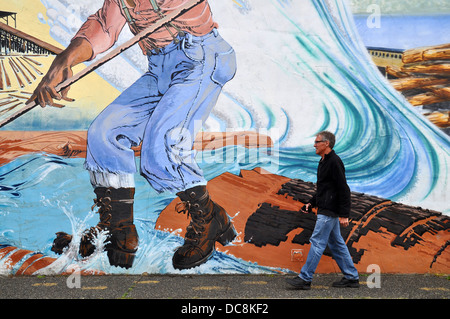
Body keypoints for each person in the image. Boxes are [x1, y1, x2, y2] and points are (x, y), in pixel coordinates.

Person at [27, 0, 237, 270]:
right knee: (104, 133)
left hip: (200, 58)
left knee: (162, 146)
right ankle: (117, 228)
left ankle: (209, 217)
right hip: (160, 68)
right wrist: (66, 60)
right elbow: (104, 27)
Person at [286, 131, 359, 289]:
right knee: (337, 244)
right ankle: (352, 277)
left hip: (329, 211)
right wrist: (311, 203)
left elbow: (343, 189)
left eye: (317, 142)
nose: (314, 144)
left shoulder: (334, 162)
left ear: (326, 143)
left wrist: (344, 214)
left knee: (317, 242)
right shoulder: (324, 161)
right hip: (326, 209)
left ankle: (305, 278)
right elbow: (324, 189)